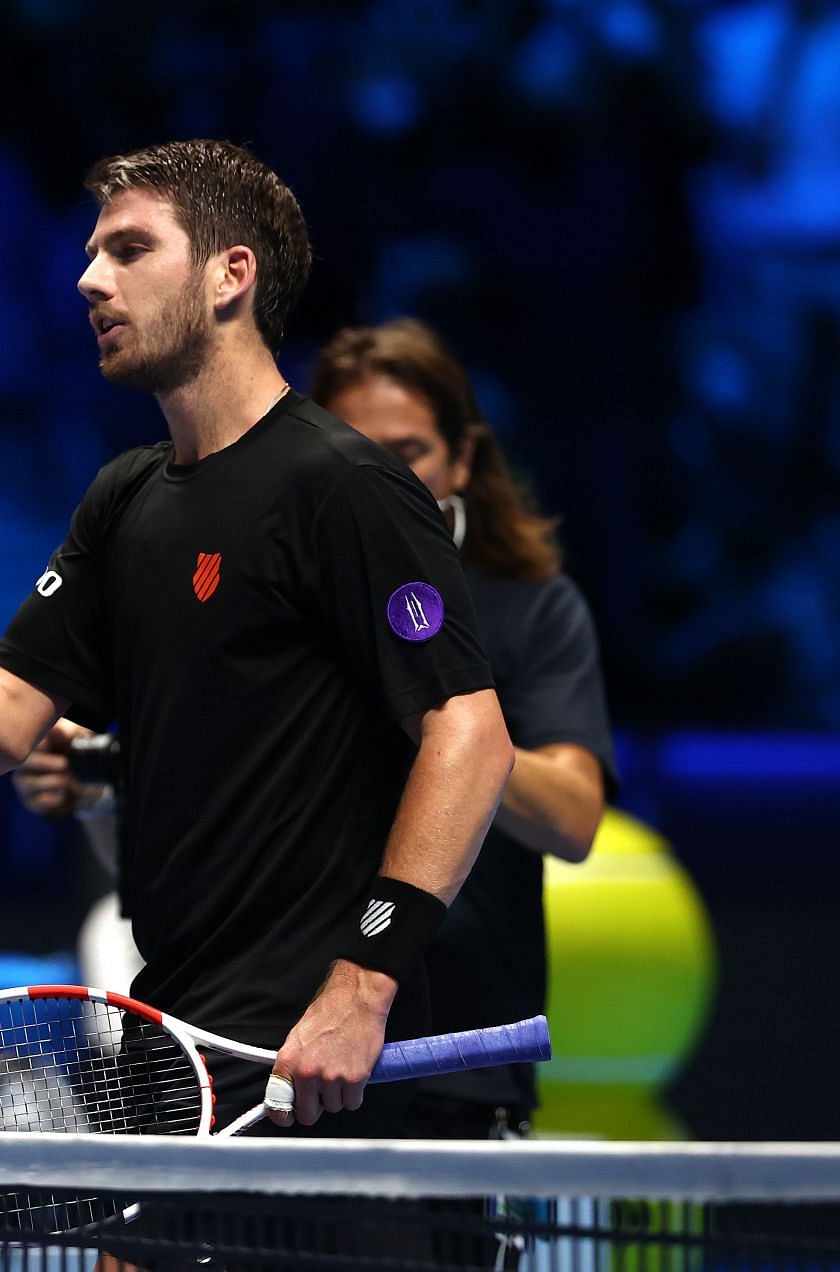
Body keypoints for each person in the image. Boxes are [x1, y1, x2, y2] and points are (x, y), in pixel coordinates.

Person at [0, 140, 514, 1135]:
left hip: (314, 1053)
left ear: (231, 275)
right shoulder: (123, 499)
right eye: (92, 253)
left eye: (130, 250)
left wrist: (363, 984)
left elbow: (469, 733)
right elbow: (0, 723)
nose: (89, 278)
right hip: (167, 1037)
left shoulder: (345, 487)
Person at [312, 318, 615, 1142]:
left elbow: (574, 819)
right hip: (285, 1054)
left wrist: (443, 718)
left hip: (458, 1068)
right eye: (352, 451)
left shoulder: (532, 609)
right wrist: (96, 797)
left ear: (464, 460)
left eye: (405, 452)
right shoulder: (274, 608)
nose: (379, 479)